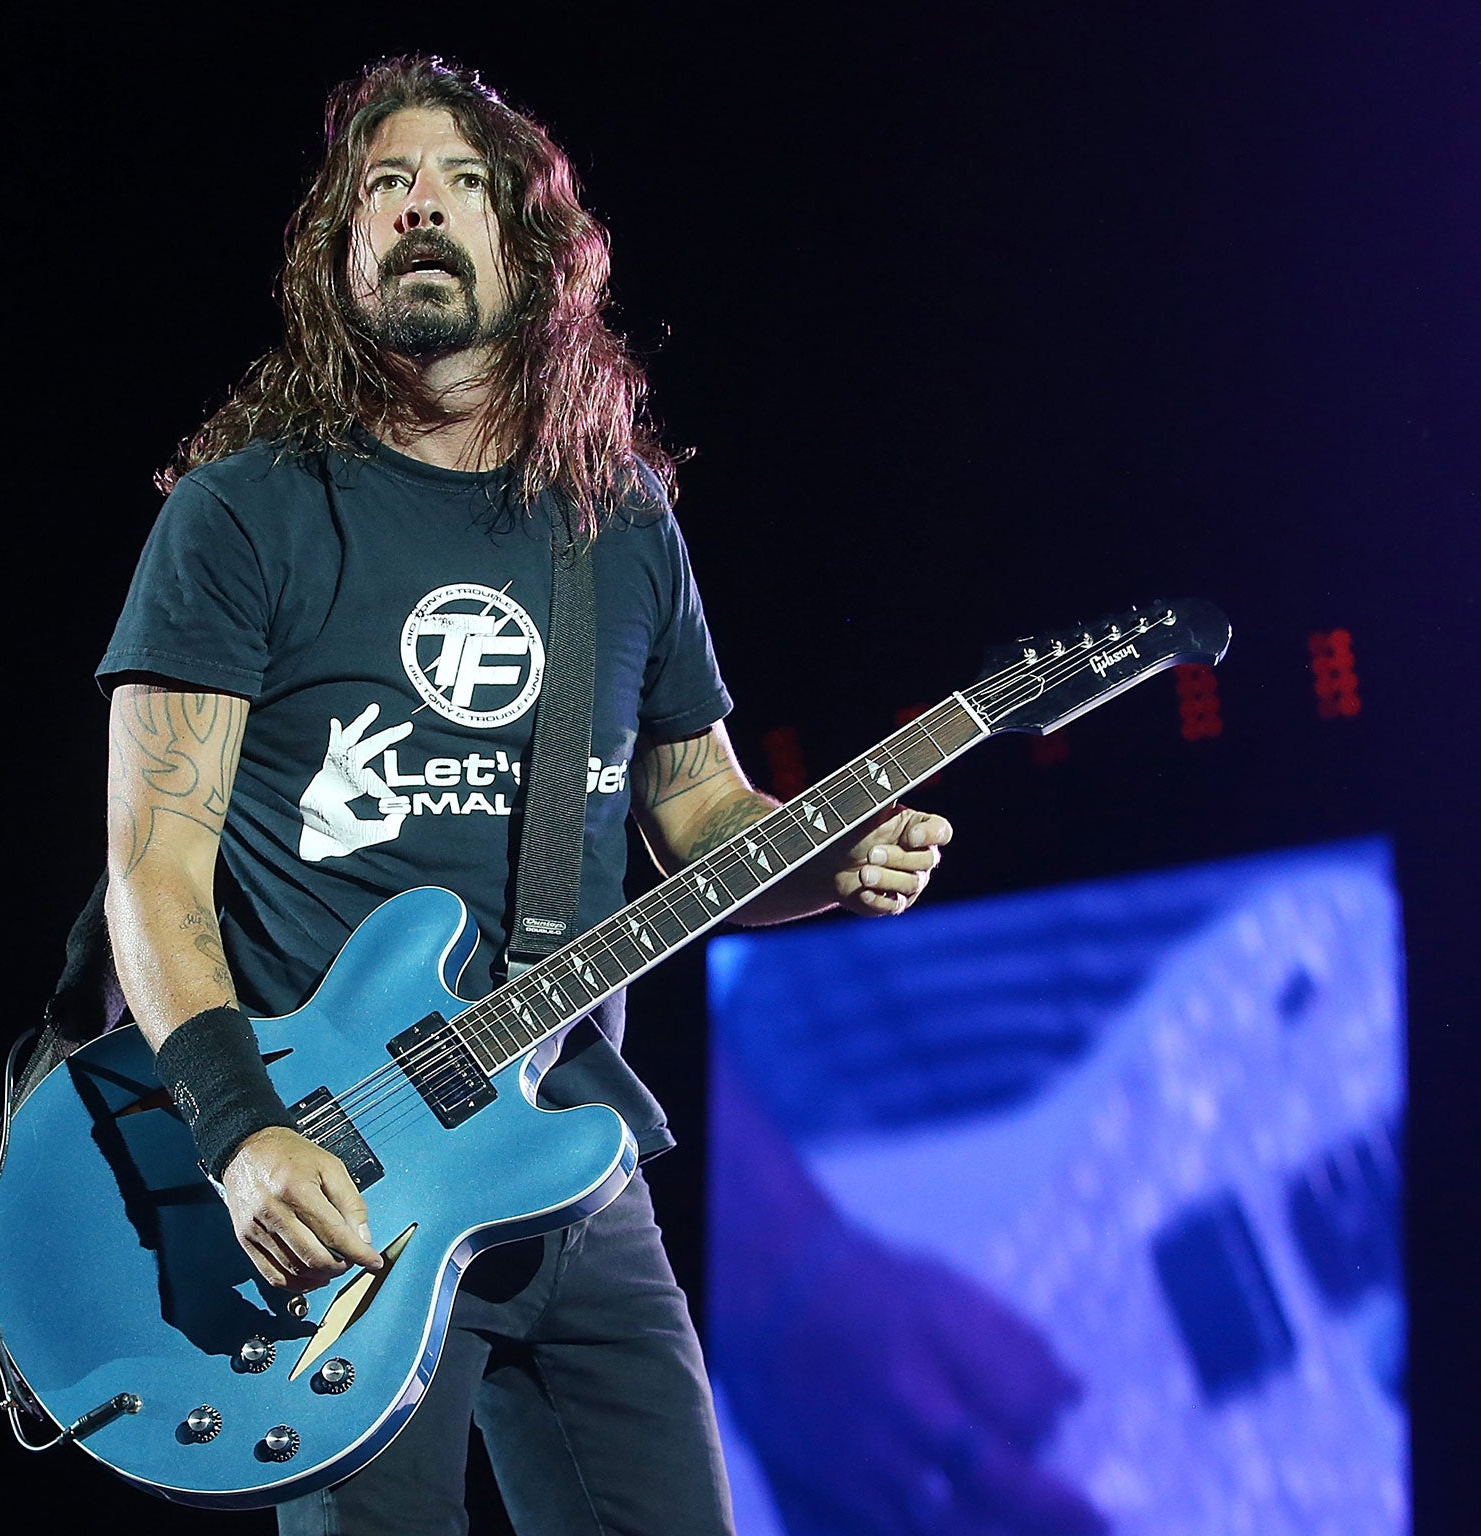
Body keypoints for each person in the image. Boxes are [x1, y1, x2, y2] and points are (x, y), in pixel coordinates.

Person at [96, 55, 988, 1536]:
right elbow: (154, 871)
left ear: (537, 245)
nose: (421, 209)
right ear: (340, 255)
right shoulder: (244, 512)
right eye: (384, 189)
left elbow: (699, 816)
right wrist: (241, 1132)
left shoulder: (616, 524)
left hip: (568, 1154)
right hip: (344, 1187)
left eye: (460, 183)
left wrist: (829, 860)